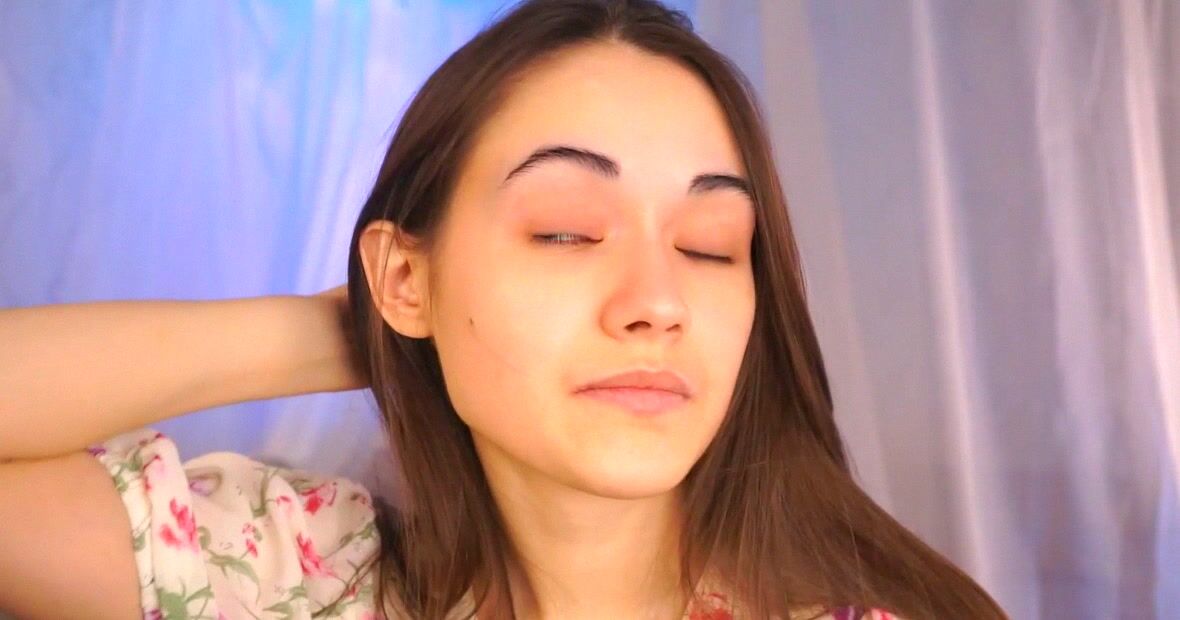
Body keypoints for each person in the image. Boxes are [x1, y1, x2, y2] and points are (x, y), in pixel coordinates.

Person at [0, 1, 1010, 618]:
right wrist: (358, 327)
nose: (659, 302)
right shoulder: (290, 576)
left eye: (710, 245)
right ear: (405, 276)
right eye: (567, 231)